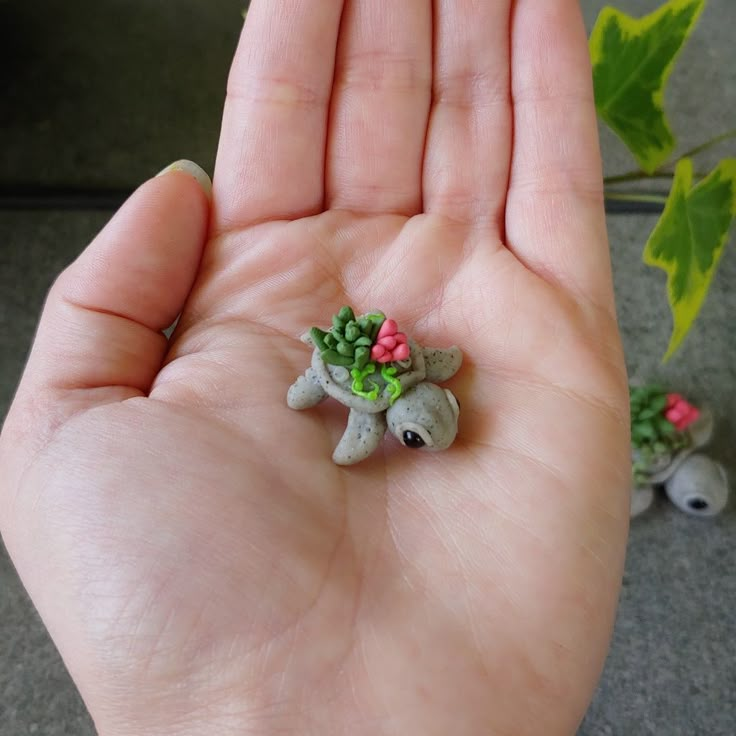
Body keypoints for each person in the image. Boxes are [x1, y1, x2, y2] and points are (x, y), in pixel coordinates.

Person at [0, 2, 630, 734]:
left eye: (435, 416)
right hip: (334, 367)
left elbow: (440, 359)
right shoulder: (368, 412)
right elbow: (359, 436)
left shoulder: (426, 367)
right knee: (308, 391)